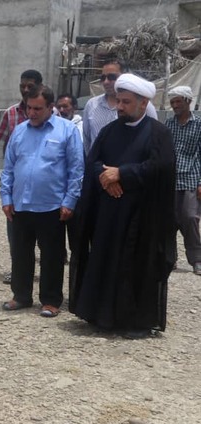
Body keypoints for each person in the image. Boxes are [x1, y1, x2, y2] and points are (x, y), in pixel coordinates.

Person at [70, 74, 176, 338]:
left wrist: (123, 174)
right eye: (119, 101)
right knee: (104, 261)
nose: (119, 107)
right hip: (109, 215)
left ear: (143, 103)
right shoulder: (109, 131)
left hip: (142, 218)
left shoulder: (158, 133)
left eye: (126, 102)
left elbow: (160, 168)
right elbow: (94, 161)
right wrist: (106, 178)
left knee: (137, 267)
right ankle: (100, 315)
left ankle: (136, 322)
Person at [0, 85, 83, 317]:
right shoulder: (19, 131)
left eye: (38, 108)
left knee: (52, 255)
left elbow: (76, 170)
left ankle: (50, 300)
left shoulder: (67, 131)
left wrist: (70, 201)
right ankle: (21, 295)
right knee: (21, 253)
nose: (32, 113)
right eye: (29, 108)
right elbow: (9, 168)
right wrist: (6, 197)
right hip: (21, 205)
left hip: (52, 206)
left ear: (50, 107)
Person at [0, 69, 44, 284]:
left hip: (45, 186)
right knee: (15, 230)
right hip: (18, 184)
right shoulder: (11, 113)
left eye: (30, 85)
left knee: (45, 230)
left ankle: (47, 271)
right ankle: (19, 270)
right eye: (22, 85)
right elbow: (6, 148)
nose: (25, 89)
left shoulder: (52, 114)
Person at [82, 58, 158, 155]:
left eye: (111, 77)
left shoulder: (144, 106)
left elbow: (153, 136)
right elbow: (87, 140)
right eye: (103, 78)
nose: (106, 82)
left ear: (124, 77)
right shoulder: (91, 105)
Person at [165, 85, 201, 275]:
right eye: (172, 102)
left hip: (191, 177)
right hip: (170, 178)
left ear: (188, 101)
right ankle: (170, 259)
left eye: (178, 101)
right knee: (168, 219)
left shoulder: (199, 124)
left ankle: (197, 259)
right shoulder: (168, 125)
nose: (175, 105)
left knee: (189, 217)